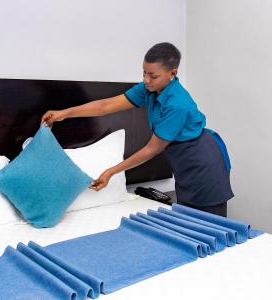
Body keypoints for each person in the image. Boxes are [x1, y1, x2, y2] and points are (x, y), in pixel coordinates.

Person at [41, 42, 234, 217]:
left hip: (203, 165)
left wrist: (111, 171)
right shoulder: (149, 89)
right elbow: (106, 106)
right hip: (184, 163)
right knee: (188, 225)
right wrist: (63, 114)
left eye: (153, 75)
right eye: (144, 73)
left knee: (211, 231)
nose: (146, 80)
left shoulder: (177, 105)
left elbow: (152, 149)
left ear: (172, 73)